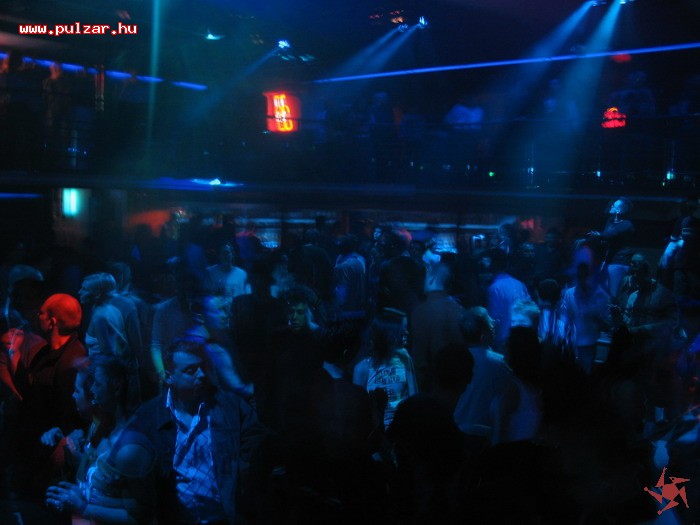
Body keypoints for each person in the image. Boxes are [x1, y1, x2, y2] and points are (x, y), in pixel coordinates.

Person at [123, 337, 266, 524]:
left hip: (225, 519)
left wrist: (240, 474)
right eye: (191, 370)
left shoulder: (229, 405)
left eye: (202, 367)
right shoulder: (150, 415)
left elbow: (256, 438)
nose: (201, 375)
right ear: (168, 377)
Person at [45, 356, 153, 524]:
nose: (92, 390)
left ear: (116, 388)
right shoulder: (102, 428)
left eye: (97, 384)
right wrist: (81, 493)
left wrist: (83, 508)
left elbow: (141, 515)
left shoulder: (130, 448)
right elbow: (106, 491)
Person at [353, 311, 418, 429]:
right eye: (401, 330)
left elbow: (414, 398)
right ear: (389, 335)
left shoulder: (404, 360)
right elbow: (358, 409)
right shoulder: (362, 368)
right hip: (376, 431)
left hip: (402, 429)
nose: (406, 333)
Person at [588, 197, 635, 298]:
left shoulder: (627, 225)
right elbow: (605, 239)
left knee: (612, 294)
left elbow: (609, 235)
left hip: (619, 262)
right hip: (609, 260)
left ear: (618, 211)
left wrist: (596, 234)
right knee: (602, 290)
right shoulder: (610, 221)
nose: (611, 206)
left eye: (614, 205)